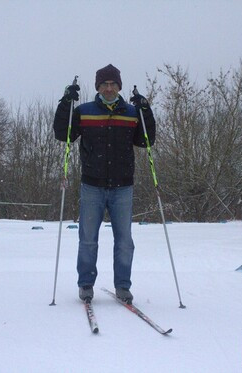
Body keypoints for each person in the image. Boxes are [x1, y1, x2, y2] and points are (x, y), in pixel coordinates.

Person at [53, 64, 156, 304]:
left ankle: (123, 286)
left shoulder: (131, 113)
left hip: (123, 187)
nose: (109, 89)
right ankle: (86, 284)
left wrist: (145, 111)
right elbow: (62, 133)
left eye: (113, 84)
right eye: (104, 85)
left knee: (124, 241)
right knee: (88, 239)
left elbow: (146, 140)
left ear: (119, 87)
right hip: (92, 186)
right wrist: (65, 103)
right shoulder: (85, 111)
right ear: (98, 87)